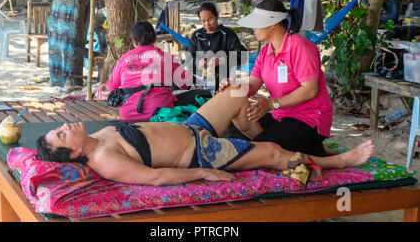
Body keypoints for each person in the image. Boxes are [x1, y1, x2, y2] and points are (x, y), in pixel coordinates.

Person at [36, 85, 374, 186]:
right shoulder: (103, 158)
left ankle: (253, 136)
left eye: (61, 127)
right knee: (271, 151)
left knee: (238, 90)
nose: (66, 127)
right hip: (203, 152)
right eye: (62, 135)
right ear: (75, 155)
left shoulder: (96, 135)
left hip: (192, 128)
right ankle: (340, 160)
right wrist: (202, 171)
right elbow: (154, 177)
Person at [220, 0, 334, 157]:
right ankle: (309, 149)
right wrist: (235, 86)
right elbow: (253, 83)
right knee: (234, 137)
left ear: (273, 24)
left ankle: (313, 148)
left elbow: (309, 90)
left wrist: (272, 104)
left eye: (257, 23)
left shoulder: (300, 46)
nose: (253, 28)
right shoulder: (266, 51)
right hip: (281, 116)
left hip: (310, 119)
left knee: (257, 148)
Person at [106, 21, 191, 121]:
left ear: (134, 41)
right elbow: (185, 83)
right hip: (158, 113)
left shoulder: (124, 59)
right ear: (154, 38)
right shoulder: (165, 57)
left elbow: (112, 87)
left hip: (128, 115)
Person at [187, 2, 248, 91]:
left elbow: (242, 55)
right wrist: (198, 62)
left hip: (221, 80)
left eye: (210, 19)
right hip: (199, 79)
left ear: (217, 16)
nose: (207, 24)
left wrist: (222, 60)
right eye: (203, 21)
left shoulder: (227, 34)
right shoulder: (197, 36)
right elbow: (189, 59)